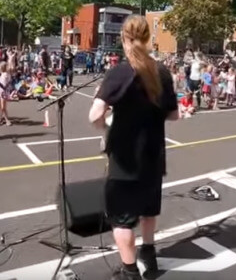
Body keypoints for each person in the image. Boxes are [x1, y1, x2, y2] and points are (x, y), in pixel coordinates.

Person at [88, 15, 179, 280]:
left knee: (122, 219)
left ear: (124, 39)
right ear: (148, 37)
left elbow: (94, 116)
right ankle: (148, 254)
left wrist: (108, 121)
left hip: (125, 161)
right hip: (153, 156)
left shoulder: (120, 72)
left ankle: (129, 272)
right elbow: (173, 114)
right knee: (148, 210)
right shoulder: (161, 71)